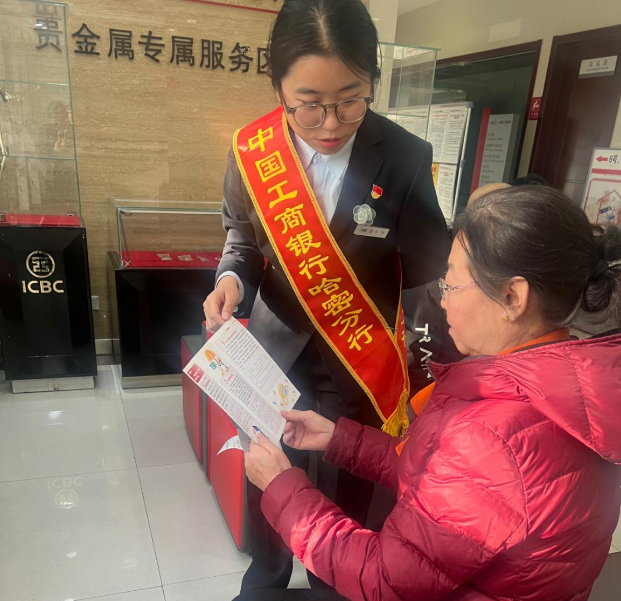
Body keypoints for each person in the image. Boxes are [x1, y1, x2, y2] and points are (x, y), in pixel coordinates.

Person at [243, 185, 621, 601]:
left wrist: (282, 487)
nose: (442, 303)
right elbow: (447, 483)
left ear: (512, 297)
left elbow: (386, 582)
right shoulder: (568, 385)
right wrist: (340, 440)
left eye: (451, 285)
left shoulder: (493, 435)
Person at [203, 0, 450, 592]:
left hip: (362, 358)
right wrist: (230, 279)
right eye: (309, 104)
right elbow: (242, 239)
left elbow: (426, 275)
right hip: (274, 352)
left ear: (373, 82)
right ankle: (267, 574)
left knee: (346, 486)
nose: (331, 122)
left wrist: (430, 372)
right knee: (270, 469)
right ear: (279, 89)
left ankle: (331, 585)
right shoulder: (252, 151)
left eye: (350, 99)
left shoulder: (406, 156)